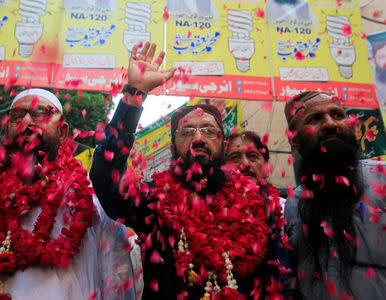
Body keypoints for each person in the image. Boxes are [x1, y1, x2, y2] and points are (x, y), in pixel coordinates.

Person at [91, 42, 292, 299]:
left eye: (208, 130)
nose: (198, 138)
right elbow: (106, 178)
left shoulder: (260, 201)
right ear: (174, 148)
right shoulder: (153, 201)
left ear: (222, 142)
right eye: (187, 132)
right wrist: (134, 95)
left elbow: (281, 283)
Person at [0, 88, 137, 300]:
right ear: (6, 131)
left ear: (62, 132)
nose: (27, 121)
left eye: (41, 112)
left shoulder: (87, 196)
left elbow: (116, 277)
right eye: (17, 116)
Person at [283, 91, 386, 299]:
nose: (331, 124)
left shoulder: (382, 178)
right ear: (294, 140)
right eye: (315, 119)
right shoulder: (293, 205)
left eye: (338, 115)